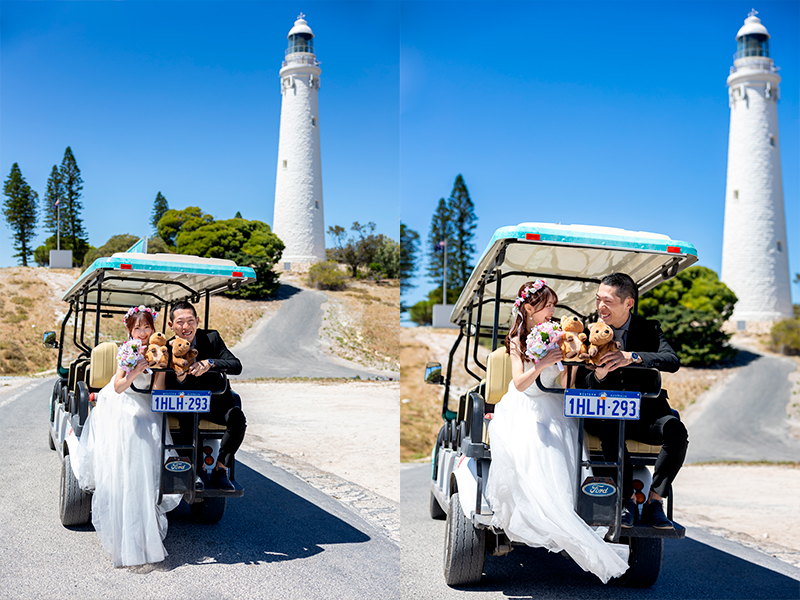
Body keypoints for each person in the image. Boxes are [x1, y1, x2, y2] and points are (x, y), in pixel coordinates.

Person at [485, 280, 630, 584]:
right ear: (529, 308)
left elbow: (565, 383)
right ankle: (543, 519)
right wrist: (541, 364)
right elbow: (519, 384)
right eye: (547, 305)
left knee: (565, 443)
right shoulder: (516, 340)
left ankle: (569, 518)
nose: (552, 310)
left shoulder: (557, 333)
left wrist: (572, 362)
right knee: (537, 444)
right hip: (525, 404)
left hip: (554, 402)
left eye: (553, 305)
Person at [71, 305, 181, 568]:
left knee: (153, 431)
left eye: (147, 327)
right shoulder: (128, 350)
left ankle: (146, 505)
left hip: (146, 403)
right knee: (136, 429)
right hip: (122, 400)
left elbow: (158, 391)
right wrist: (137, 369)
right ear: (130, 331)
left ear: (153, 329)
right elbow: (119, 386)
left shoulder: (158, 350)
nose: (142, 333)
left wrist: (160, 368)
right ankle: (127, 517)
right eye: (137, 328)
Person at [578, 272, 689, 530]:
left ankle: (655, 501)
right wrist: (599, 376)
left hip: (646, 413)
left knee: (676, 432)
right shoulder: (588, 333)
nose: (600, 307)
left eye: (607, 301)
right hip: (607, 412)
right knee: (609, 427)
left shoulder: (649, 328)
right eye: (598, 299)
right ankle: (626, 500)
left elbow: (672, 361)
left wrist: (633, 357)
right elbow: (580, 384)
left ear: (628, 303)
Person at [166, 301, 245, 492]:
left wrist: (210, 363)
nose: (186, 327)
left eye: (190, 321)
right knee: (188, 418)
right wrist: (180, 378)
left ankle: (221, 467)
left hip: (215, 401)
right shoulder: (167, 348)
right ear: (171, 325)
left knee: (237, 418)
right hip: (187, 403)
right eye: (180, 322)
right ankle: (198, 470)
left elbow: (236, 365)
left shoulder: (211, 338)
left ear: (197, 321)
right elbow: (167, 383)